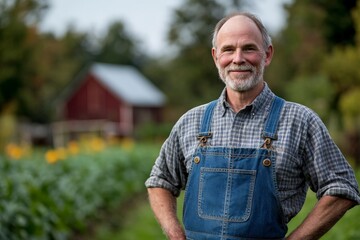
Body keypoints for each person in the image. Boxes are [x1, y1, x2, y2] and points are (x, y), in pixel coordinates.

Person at [145, 12, 360, 240]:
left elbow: (342, 187)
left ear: (267, 54)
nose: (238, 58)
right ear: (216, 57)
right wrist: (175, 233)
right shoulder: (191, 122)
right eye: (228, 49)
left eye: (248, 48)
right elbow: (160, 181)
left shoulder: (299, 121)